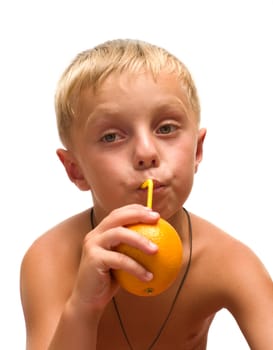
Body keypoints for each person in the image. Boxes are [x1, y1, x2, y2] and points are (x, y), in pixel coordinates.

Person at [20, 39, 273, 350]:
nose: (146, 153)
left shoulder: (228, 261)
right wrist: (83, 307)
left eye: (166, 129)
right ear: (75, 170)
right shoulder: (51, 258)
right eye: (111, 136)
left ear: (197, 150)